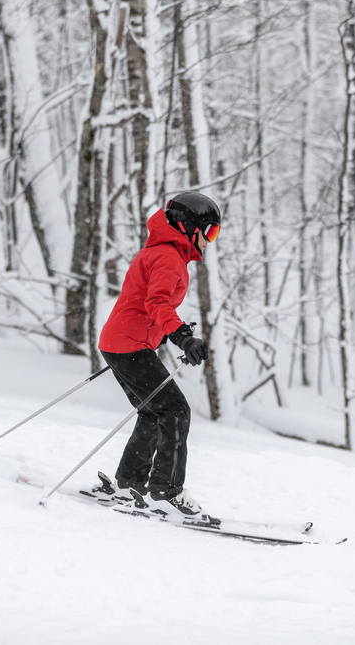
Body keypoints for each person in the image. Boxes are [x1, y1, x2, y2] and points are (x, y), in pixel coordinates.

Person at [96, 192, 221, 516]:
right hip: (130, 344)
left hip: (122, 342)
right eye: (209, 232)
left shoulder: (162, 253)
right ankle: (166, 491)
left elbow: (145, 302)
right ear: (189, 227)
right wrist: (181, 336)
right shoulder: (168, 257)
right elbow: (157, 303)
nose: (210, 240)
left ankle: (129, 484)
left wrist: (171, 330)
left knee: (154, 412)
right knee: (175, 411)